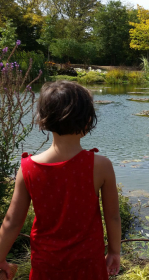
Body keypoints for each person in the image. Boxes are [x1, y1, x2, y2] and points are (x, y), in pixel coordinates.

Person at [0, 81, 121, 279]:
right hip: (88, 262)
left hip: (46, 263)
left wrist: (0, 257)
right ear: (88, 120)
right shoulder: (101, 166)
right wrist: (115, 251)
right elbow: (113, 217)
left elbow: (12, 222)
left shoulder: (28, 168)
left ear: (44, 120)